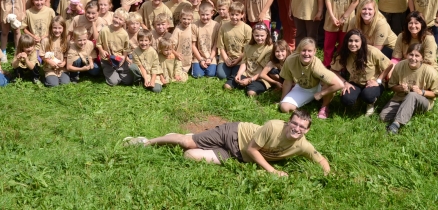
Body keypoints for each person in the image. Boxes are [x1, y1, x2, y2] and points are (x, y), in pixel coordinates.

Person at [125, 109, 330, 176]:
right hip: (233, 134)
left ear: (307, 130)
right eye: (294, 123)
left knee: (189, 156)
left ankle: (185, 137)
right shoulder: (273, 126)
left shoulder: (303, 145)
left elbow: (321, 160)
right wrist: (273, 171)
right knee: (187, 143)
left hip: (237, 156)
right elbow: (253, 149)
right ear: (288, 122)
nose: (297, 129)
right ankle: (146, 142)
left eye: (302, 127)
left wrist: (329, 175)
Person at [380, 43, 438, 134]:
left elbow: (437, 93)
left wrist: (422, 92)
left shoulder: (430, 72)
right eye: (411, 55)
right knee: (383, 117)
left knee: (412, 95)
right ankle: (407, 112)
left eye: (417, 56)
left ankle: (395, 124)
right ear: (406, 55)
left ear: (422, 58)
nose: (413, 58)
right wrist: (399, 88)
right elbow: (391, 86)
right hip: (401, 97)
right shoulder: (399, 66)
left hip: (423, 100)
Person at [279, 38, 344, 119]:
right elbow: (287, 82)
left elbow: (339, 84)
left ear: (314, 51)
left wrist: (321, 94)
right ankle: (306, 104)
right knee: (284, 108)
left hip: (319, 87)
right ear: (299, 50)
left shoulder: (316, 66)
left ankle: (324, 107)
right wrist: (282, 100)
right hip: (302, 87)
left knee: (329, 83)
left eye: (309, 51)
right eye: (303, 50)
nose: (306, 54)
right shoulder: (290, 60)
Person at [331, 29, 392, 116]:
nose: (353, 44)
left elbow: (389, 65)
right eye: (350, 41)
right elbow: (333, 70)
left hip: (373, 82)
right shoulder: (344, 53)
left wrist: (378, 81)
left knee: (368, 96)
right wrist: (345, 83)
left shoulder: (372, 51)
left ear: (362, 42)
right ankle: (357, 98)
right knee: (346, 100)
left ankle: (370, 103)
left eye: (356, 41)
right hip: (355, 82)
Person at [224, 23, 273, 96]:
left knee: (251, 93)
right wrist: (239, 74)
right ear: (253, 34)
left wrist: (250, 80)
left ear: (267, 35)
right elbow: (244, 62)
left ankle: (251, 86)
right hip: (247, 73)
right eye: (257, 35)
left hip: (260, 77)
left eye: (262, 36)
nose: (259, 38)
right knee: (227, 86)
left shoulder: (270, 48)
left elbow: (264, 70)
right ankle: (244, 83)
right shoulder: (248, 46)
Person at [97, 9, 138, 86]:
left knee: (128, 81)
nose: (117, 20)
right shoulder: (104, 30)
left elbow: (126, 49)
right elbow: (98, 43)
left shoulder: (124, 34)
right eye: (116, 17)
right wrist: (102, 51)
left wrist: (124, 57)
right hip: (107, 60)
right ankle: (109, 71)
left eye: (120, 19)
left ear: (124, 22)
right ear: (113, 16)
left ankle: (117, 71)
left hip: (119, 59)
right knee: (114, 82)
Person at [216, 1, 252, 81]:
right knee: (221, 75)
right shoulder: (223, 27)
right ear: (229, 13)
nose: (234, 17)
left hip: (240, 58)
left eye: (237, 15)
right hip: (226, 57)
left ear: (242, 15)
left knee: (236, 74)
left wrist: (238, 60)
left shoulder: (247, 29)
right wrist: (226, 59)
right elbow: (221, 46)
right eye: (232, 14)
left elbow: (248, 49)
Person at [191, 2, 220, 78]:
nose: (205, 17)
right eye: (202, 15)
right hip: (198, 56)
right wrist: (200, 60)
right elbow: (193, 46)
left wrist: (210, 58)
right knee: (197, 75)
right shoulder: (194, 26)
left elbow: (216, 44)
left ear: (212, 13)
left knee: (211, 74)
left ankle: (213, 62)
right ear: (199, 13)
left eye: (207, 14)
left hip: (211, 55)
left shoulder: (216, 25)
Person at [40, 16, 70, 87]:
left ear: (63, 28)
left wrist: (64, 62)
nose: (57, 30)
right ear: (51, 28)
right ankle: (45, 78)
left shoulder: (65, 40)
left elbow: (67, 54)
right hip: (50, 68)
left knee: (65, 83)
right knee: (54, 84)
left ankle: (59, 77)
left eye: (60, 28)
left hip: (62, 69)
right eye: (55, 28)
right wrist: (50, 62)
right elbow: (41, 55)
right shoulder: (45, 41)